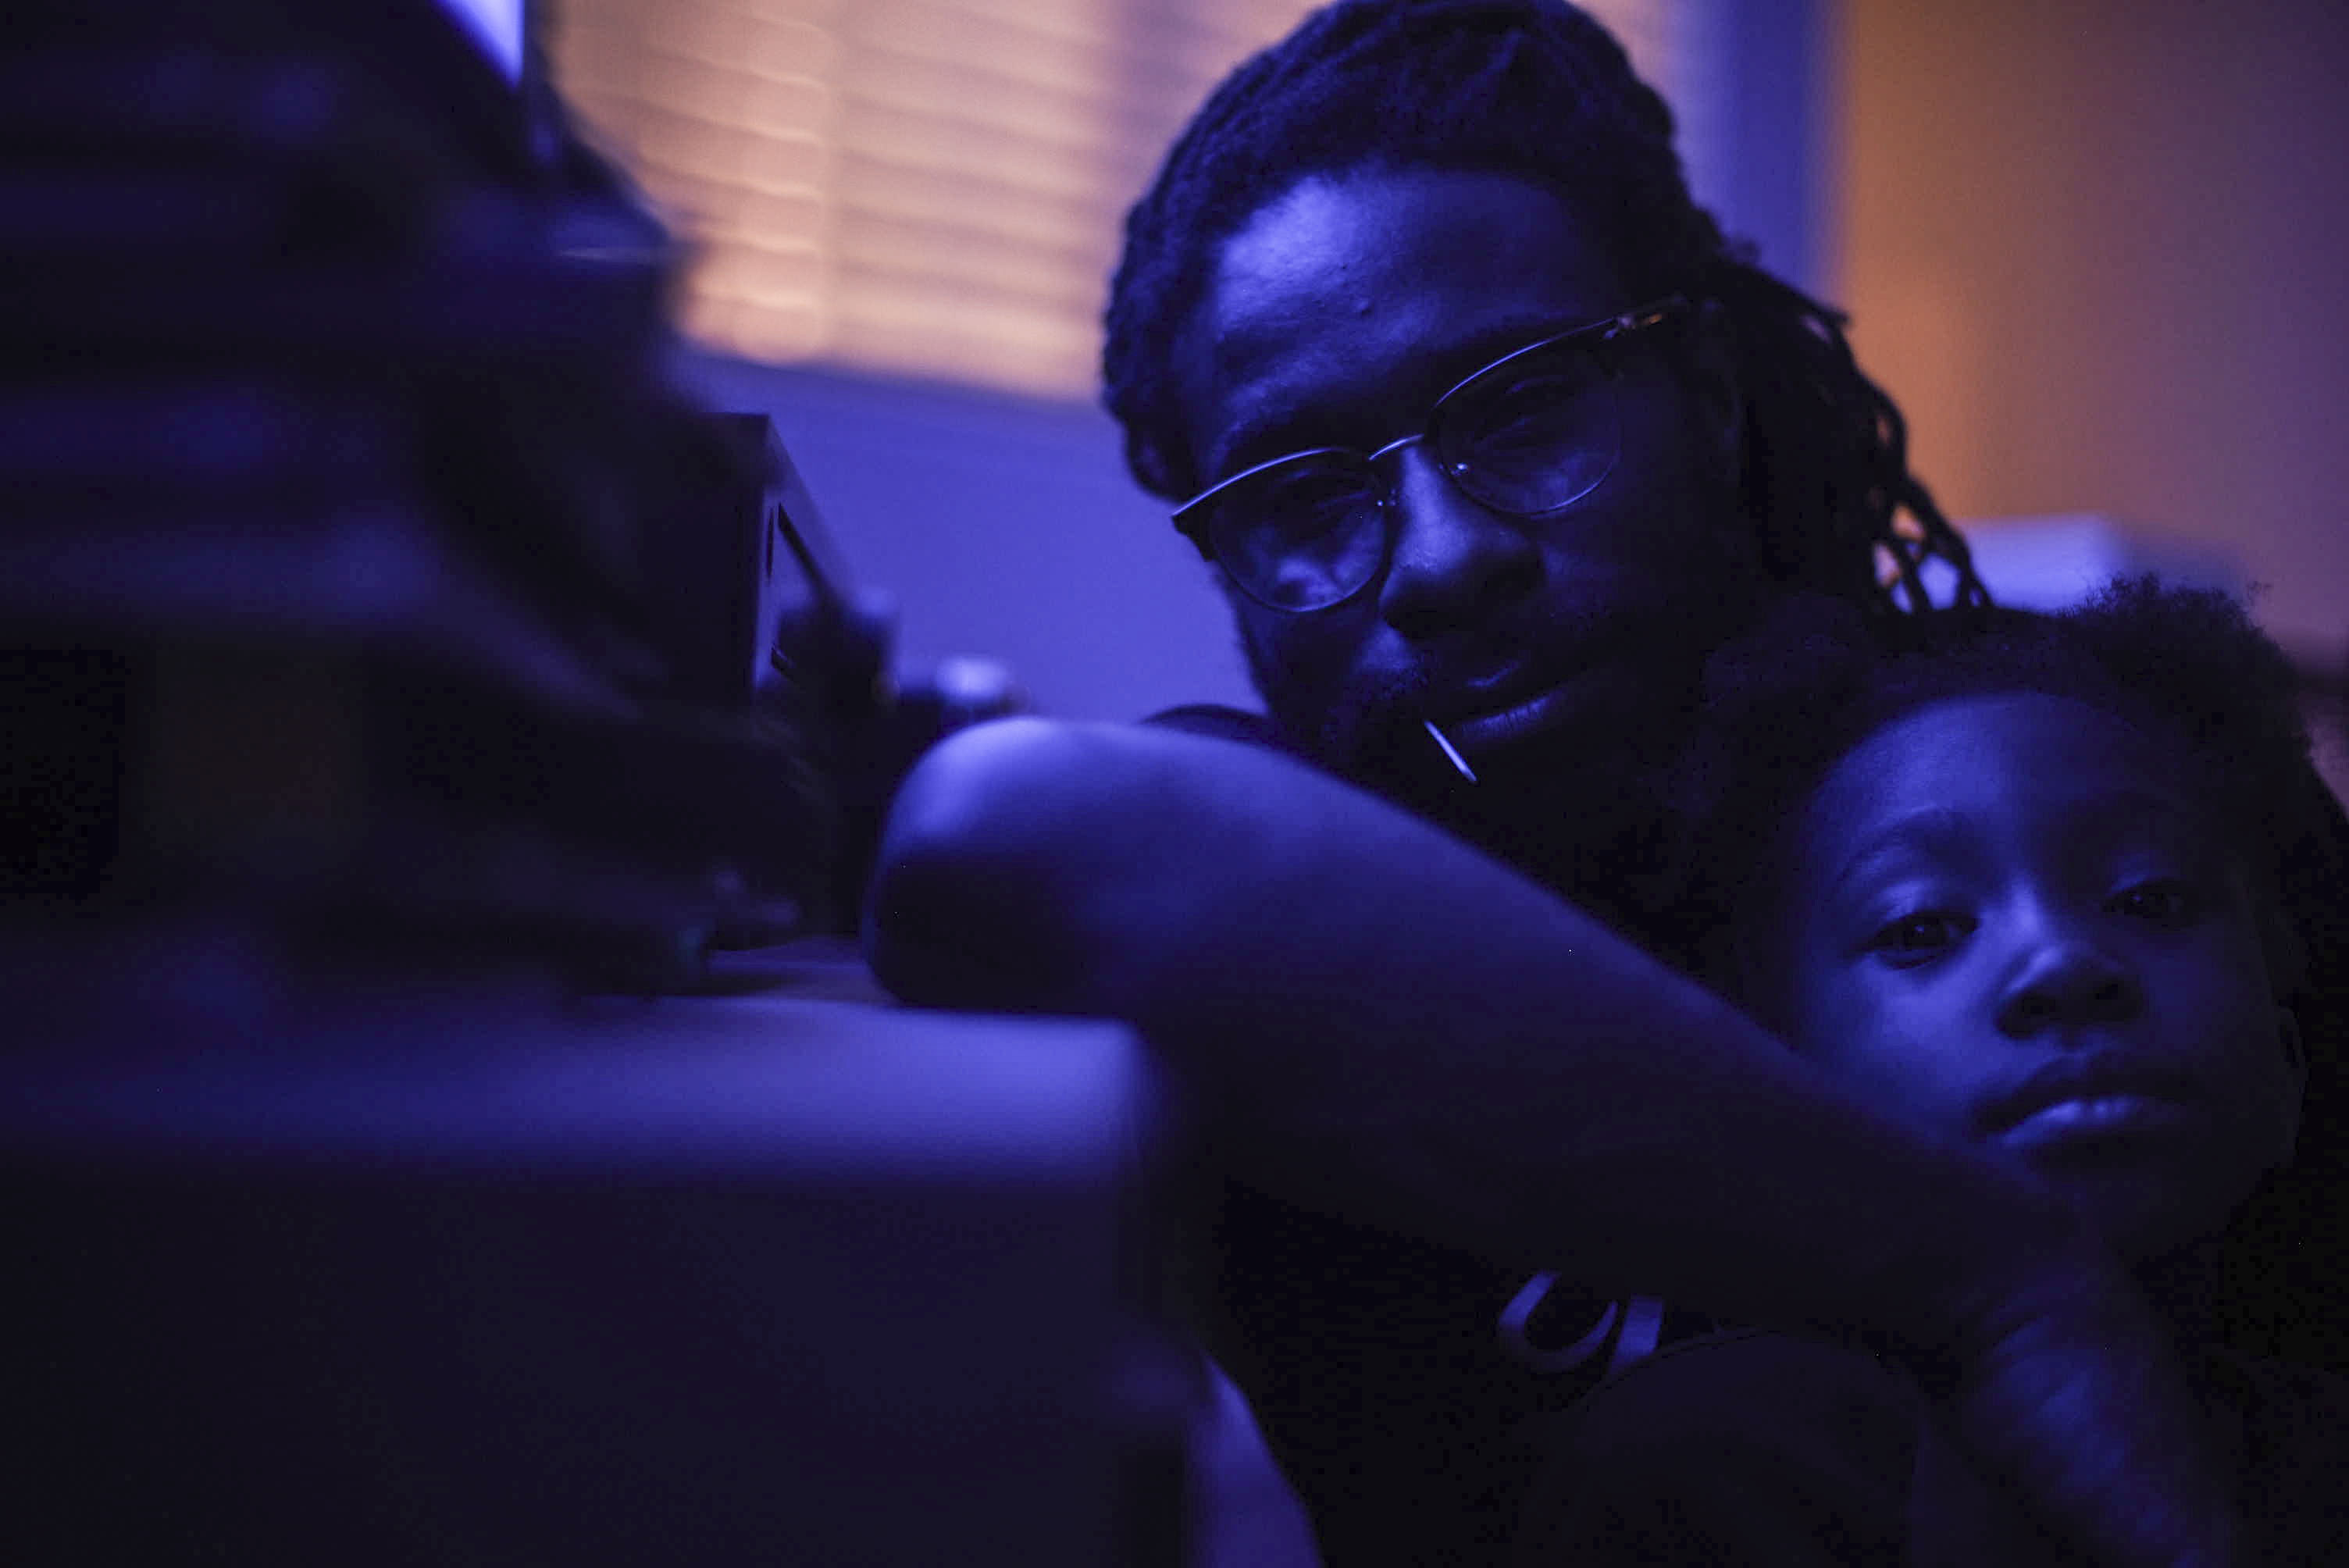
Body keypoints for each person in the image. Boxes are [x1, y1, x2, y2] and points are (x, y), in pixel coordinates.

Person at [862, 2, 2347, 1563]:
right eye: (1300, 494)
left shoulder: (2084, 801)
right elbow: (1010, 828)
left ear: (1703, 389)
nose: (1444, 561)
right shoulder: (1247, 913)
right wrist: (2001, 1283)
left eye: (1522, 403)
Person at [1513, 581, 2349, 1565]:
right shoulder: (1718, 1460)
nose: (2061, 962)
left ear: (2287, 1066)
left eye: (2147, 898)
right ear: (1779, 1096)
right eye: (1920, 926)